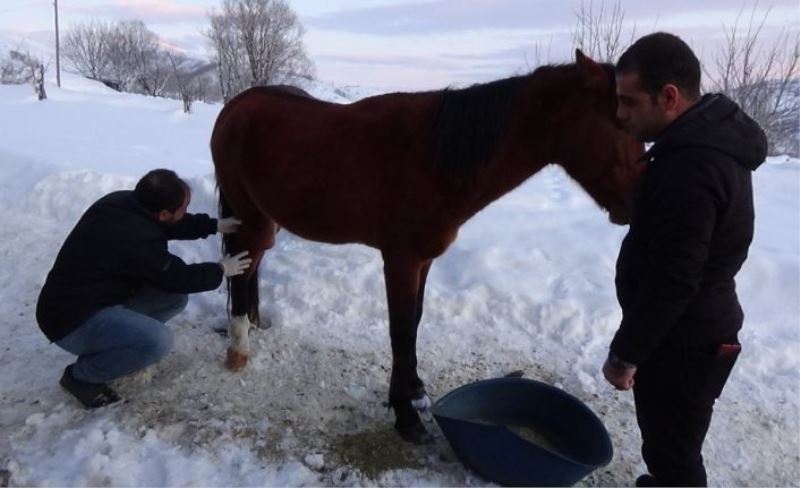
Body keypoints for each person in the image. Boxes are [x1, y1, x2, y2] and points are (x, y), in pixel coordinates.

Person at [602, 33, 767, 487]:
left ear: (669, 97)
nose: (621, 114)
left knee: (674, 453)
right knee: (668, 443)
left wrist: (625, 354)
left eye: (629, 102)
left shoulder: (690, 169)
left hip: (685, 340)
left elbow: (674, 278)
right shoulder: (700, 147)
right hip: (688, 331)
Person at [36, 168, 252, 409]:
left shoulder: (123, 203)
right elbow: (177, 276)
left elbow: (171, 225)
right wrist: (221, 270)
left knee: (173, 299)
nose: (186, 212)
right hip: (70, 322)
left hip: (92, 299)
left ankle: (119, 348)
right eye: (183, 208)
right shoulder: (137, 239)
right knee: (157, 342)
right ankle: (81, 377)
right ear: (163, 213)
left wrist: (215, 226)